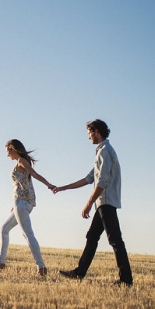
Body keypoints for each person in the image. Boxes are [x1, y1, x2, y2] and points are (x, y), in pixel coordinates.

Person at [52, 119, 133, 286]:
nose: (88, 136)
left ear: (96, 131)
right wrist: (63, 188)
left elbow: (102, 182)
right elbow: (89, 178)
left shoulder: (104, 151)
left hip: (106, 202)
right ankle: (80, 272)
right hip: (103, 202)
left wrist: (89, 203)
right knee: (92, 237)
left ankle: (126, 279)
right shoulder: (102, 152)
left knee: (115, 240)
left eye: (89, 132)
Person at [0, 139, 56, 276]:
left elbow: (35, 174)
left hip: (22, 203)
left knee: (28, 234)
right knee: (4, 229)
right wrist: (15, 206)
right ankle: (1, 262)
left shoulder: (21, 161)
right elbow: (22, 184)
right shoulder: (20, 162)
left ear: (13, 149)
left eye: (7, 151)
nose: (7, 155)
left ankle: (41, 267)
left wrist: (49, 185)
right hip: (20, 204)